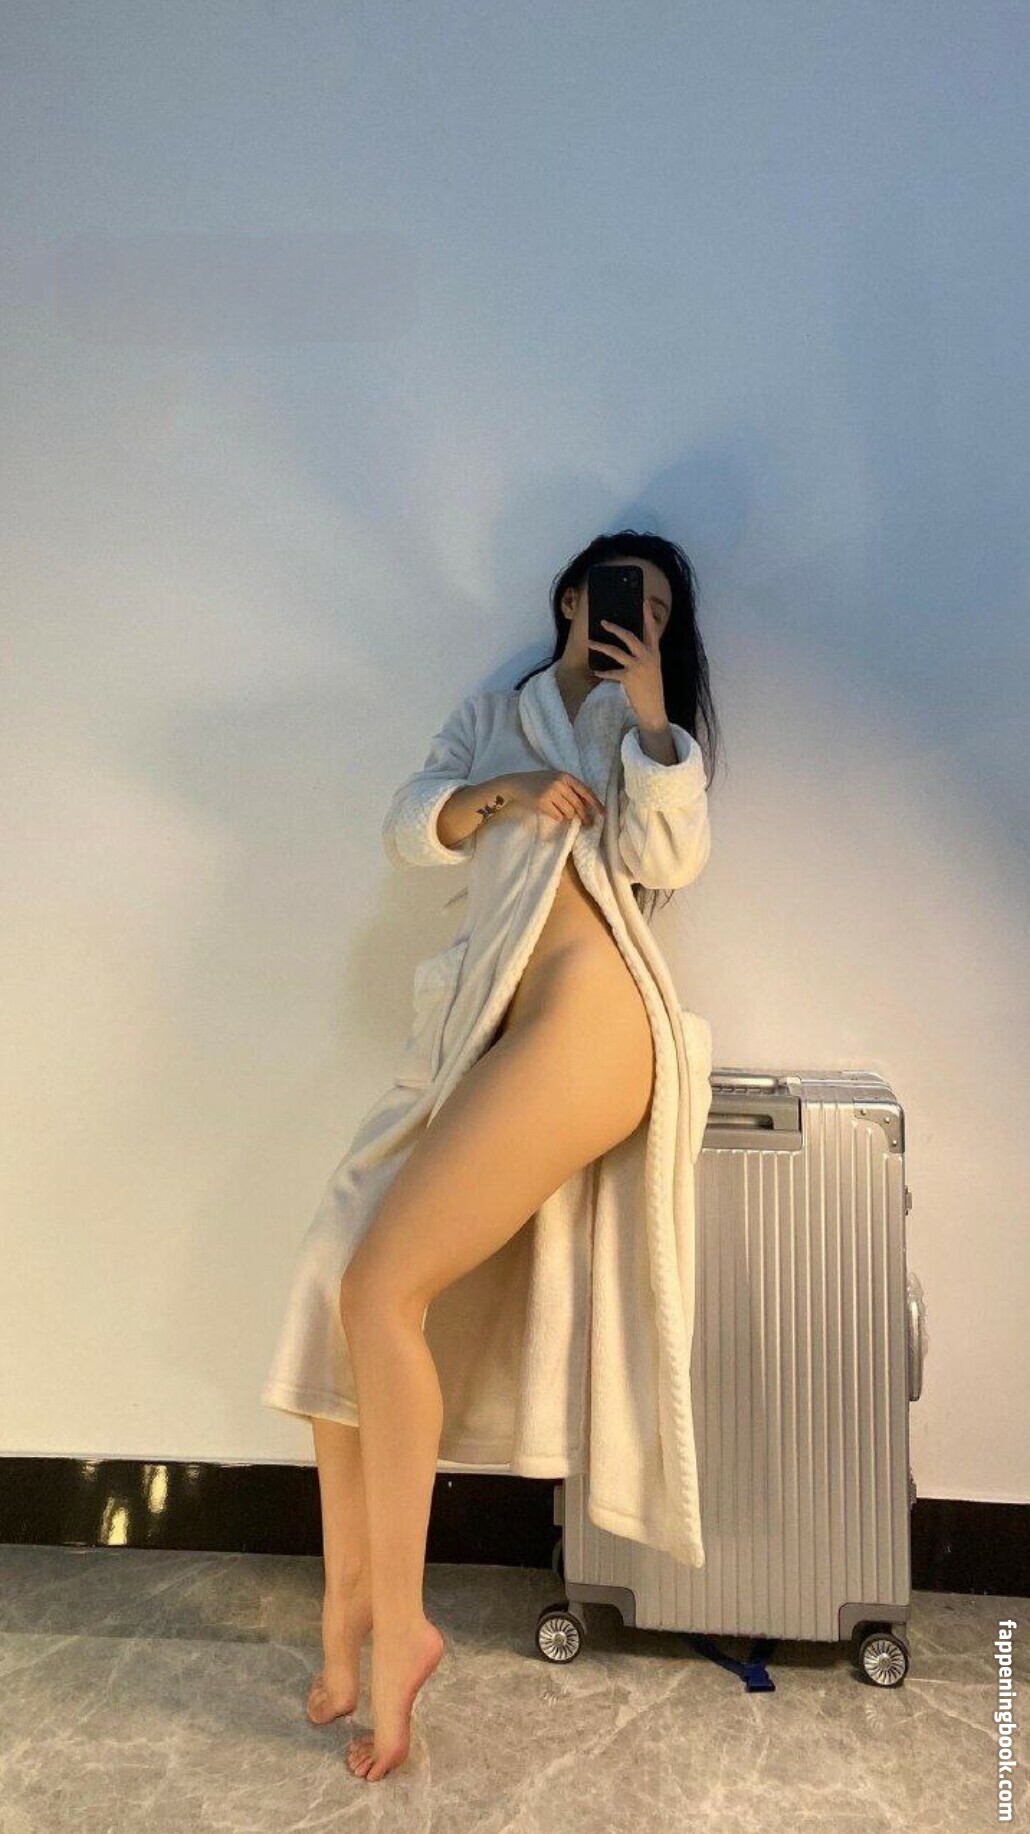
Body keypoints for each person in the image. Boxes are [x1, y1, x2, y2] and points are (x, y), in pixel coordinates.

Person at [275, 529, 719, 1780]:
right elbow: (411, 825)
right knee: (336, 1277)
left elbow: (668, 861)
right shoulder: (495, 715)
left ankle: (400, 1625)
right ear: (572, 597)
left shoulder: (645, 732)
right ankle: (348, 1608)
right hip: (491, 1031)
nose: (634, 618)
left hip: (594, 1017)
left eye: (658, 610)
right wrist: (508, 791)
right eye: (620, 596)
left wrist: (653, 723)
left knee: (380, 1289)